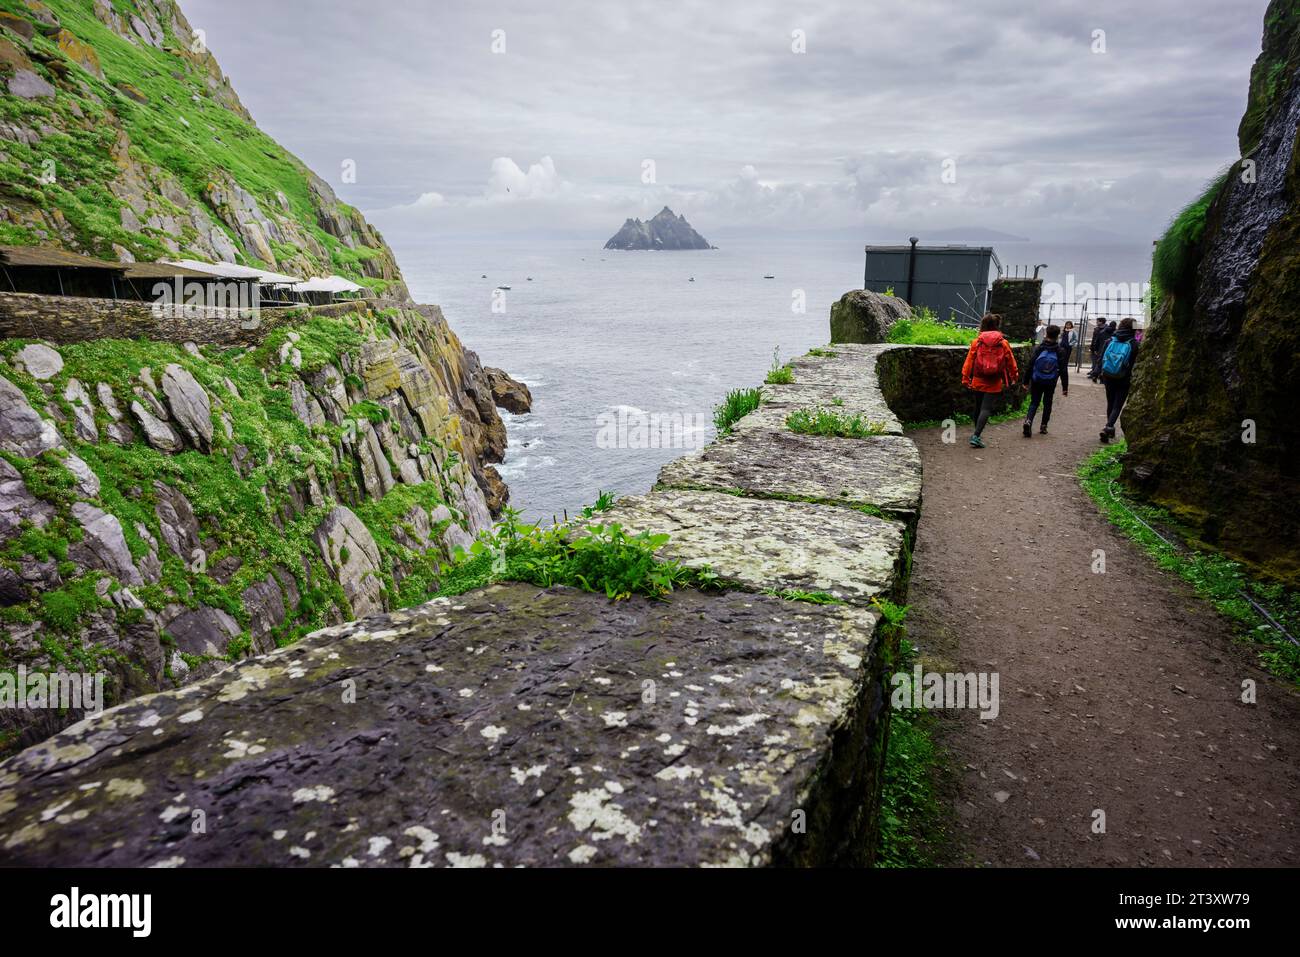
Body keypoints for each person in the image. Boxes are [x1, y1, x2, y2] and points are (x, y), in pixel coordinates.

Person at [961, 313, 1019, 448]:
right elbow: (1011, 362)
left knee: (978, 407)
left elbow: (969, 361)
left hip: (978, 378)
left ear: (983, 325)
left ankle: (977, 433)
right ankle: (976, 435)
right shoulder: (1003, 343)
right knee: (986, 408)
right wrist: (1014, 376)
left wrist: (965, 378)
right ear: (997, 325)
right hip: (994, 380)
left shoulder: (977, 342)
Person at [1022, 323, 1069, 437]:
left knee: (1034, 402)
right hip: (1050, 381)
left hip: (1037, 379)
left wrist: (1025, 381)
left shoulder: (1040, 348)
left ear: (1046, 334)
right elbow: (1063, 370)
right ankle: (1043, 426)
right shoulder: (1060, 351)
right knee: (1047, 403)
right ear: (1058, 335)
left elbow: (1031, 364)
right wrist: (1065, 387)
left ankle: (1028, 421)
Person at [1099, 317, 1139, 443]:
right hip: (1124, 377)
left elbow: (1102, 358)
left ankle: (1109, 428)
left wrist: (1099, 372)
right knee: (1117, 405)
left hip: (1108, 375)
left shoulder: (1110, 340)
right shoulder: (1134, 344)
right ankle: (1108, 427)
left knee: (1110, 402)